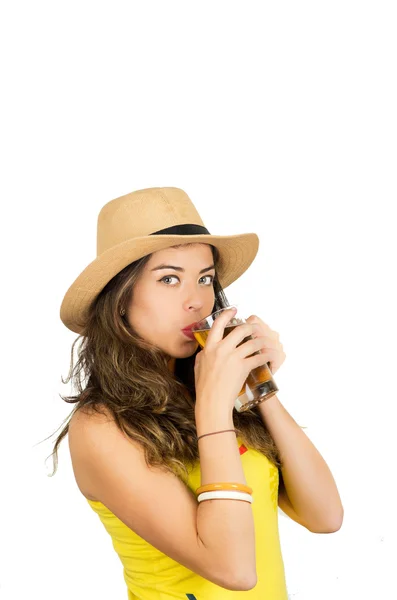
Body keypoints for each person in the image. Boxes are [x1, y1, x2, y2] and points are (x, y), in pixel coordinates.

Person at [51, 186, 343, 599]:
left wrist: (259, 386)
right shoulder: (101, 426)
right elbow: (235, 570)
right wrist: (213, 408)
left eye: (205, 278)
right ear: (119, 299)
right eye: (169, 279)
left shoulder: (216, 394)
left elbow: (326, 516)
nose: (196, 301)